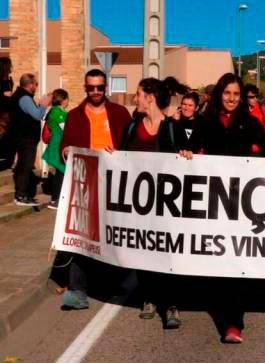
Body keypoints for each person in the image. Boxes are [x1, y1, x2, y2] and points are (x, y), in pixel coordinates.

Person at [181, 73, 265, 344]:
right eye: (227, 93)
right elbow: (190, 147)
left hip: (240, 204)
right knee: (216, 262)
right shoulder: (205, 121)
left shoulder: (250, 122)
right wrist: (187, 154)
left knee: (235, 264)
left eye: (236, 94)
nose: (232, 99)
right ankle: (219, 305)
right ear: (219, 95)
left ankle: (234, 323)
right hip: (213, 202)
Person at [58, 69, 132, 310]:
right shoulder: (75, 116)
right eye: (91, 88)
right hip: (86, 182)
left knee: (114, 234)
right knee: (81, 237)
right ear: (85, 87)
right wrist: (67, 151)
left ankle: (115, 281)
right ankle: (78, 290)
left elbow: (132, 146)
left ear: (106, 87)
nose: (96, 92)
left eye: (100, 87)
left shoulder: (120, 113)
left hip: (115, 184)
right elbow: (64, 145)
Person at [122, 77, 187, 329]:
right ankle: (148, 297)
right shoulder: (131, 128)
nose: (135, 99)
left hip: (167, 207)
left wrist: (186, 155)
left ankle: (171, 304)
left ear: (150, 97)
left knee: (168, 254)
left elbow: (188, 164)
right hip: (138, 207)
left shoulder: (172, 128)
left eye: (138, 94)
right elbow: (121, 159)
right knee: (142, 251)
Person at [8, 73, 52, 206]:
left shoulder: (21, 96)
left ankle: (23, 194)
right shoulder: (25, 98)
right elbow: (37, 115)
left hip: (23, 137)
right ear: (29, 84)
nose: (36, 86)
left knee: (24, 165)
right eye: (36, 84)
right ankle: (21, 196)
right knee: (25, 166)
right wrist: (44, 105)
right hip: (25, 138)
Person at [41, 89, 69, 209]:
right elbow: (66, 128)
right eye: (67, 98)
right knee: (61, 172)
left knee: (60, 172)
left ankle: (57, 198)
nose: (68, 101)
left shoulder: (57, 111)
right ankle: (56, 200)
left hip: (58, 145)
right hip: (57, 146)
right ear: (63, 100)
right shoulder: (57, 112)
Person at [0, 57, 14, 170]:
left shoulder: (10, 80)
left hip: (8, 112)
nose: (10, 68)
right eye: (8, 66)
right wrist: (3, 95)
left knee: (9, 137)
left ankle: (7, 159)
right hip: (1, 113)